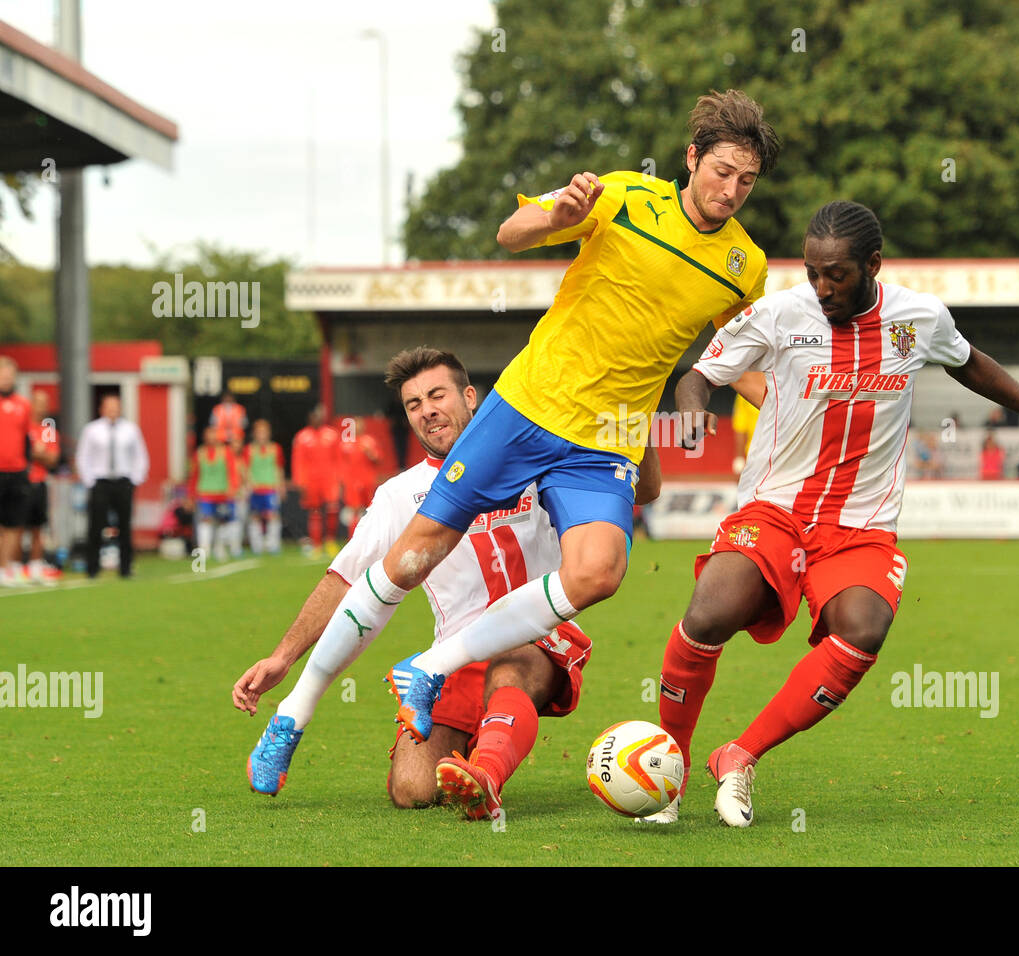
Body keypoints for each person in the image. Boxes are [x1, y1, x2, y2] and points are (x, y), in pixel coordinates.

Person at [300, 89, 780, 748]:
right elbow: (512, 232)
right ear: (691, 158)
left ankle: (429, 668)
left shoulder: (744, 264)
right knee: (412, 556)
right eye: (722, 171)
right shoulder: (622, 196)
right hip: (531, 404)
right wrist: (564, 211)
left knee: (599, 573)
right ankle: (294, 711)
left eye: (747, 181)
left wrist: (799, 400)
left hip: (605, 437)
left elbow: (739, 357)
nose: (732, 190)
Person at [648, 200, 1019, 826]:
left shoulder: (919, 317)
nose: (822, 288)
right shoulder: (777, 314)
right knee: (709, 612)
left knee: (864, 627)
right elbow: (701, 374)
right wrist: (690, 412)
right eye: (812, 273)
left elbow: (972, 365)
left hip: (861, 524)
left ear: (873, 264)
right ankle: (670, 772)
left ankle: (739, 756)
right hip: (775, 506)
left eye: (837, 275)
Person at [235, 347, 661, 818]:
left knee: (514, 665)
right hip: (453, 655)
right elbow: (344, 579)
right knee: (412, 790)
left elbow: (644, 490)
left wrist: (638, 414)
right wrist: (282, 656)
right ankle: (475, 728)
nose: (427, 411)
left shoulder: (535, 457)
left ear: (471, 397)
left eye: (437, 395)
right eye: (413, 405)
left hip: (540, 637)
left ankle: (489, 773)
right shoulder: (399, 495)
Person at [76, 394, 150, 578]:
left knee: (124, 526)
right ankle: (92, 568)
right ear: (102, 409)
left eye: (116, 407)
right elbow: (83, 456)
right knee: (96, 526)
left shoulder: (131, 430)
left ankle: (125, 568)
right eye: (109, 407)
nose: (112, 410)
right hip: (100, 482)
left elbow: (140, 456)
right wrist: (90, 481)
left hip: (123, 482)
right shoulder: (92, 430)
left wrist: (135, 479)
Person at [291, 405, 342, 558]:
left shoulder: (332, 435)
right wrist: (300, 482)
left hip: (329, 479)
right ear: (309, 418)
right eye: (314, 416)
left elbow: (338, 458)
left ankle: (330, 541)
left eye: (319, 415)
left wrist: (339, 479)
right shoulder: (302, 437)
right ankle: (316, 544)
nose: (317, 418)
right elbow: (298, 461)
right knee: (315, 511)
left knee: (332, 509)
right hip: (311, 481)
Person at [23, 391, 61, 584]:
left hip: (39, 482)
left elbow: (52, 459)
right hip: (20, 481)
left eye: (45, 403)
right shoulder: (22, 425)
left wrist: (36, 453)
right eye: (38, 403)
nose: (42, 407)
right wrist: (34, 451)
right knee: (14, 526)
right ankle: (11, 566)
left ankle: (35, 566)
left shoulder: (48, 428)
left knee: (38, 528)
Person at [0, 357, 32, 586]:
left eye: (9, 375)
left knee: (14, 523)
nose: (6, 379)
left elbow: (27, 439)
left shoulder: (24, 404)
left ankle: (5, 568)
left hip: (18, 472)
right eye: (2, 375)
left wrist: (27, 466)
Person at [189, 426, 240, 561]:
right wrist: (192, 495)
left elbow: (232, 471)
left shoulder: (226, 452)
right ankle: (204, 550)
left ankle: (220, 548)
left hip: (222, 492)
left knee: (222, 522)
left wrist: (233, 487)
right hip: (205, 492)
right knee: (206, 520)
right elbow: (194, 475)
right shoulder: (199, 453)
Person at [242, 419, 284, 555]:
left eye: (264, 432)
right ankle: (257, 546)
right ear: (254, 434)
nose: (262, 435)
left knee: (273, 516)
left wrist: (280, 485)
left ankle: (273, 545)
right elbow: (245, 468)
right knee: (255, 516)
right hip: (255, 488)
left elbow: (278, 468)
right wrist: (248, 483)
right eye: (259, 432)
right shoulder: (249, 450)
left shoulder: (275, 448)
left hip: (270, 487)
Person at [339, 418, 382, 538]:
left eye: (360, 425)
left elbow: (378, 459)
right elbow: (341, 464)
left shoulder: (369, 441)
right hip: (352, 482)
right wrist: (342, 481)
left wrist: (370, 453)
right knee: (354, 510)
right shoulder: (346, 443)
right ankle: (353, 539)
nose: (357, 428)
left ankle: (370, 538)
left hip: (368, 481)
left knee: (370, 510)